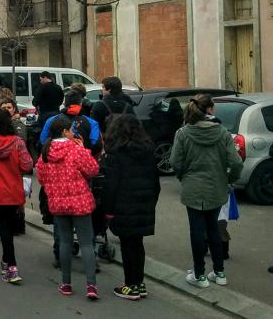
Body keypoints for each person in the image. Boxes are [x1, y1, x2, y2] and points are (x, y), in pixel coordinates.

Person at [169, 94, 243, 289]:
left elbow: (175, 162)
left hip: (193, 187)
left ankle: (199, 274)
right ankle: (219, 272)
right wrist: (229, 179)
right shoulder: (223, 133)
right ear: (209, 109)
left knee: (196, 231)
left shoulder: (183, 133)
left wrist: (183, 176)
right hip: (217, 187)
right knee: (214, 228)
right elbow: (235, 162)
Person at [36, 116, 100, 300]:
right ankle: (91, 285)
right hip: (80, 202)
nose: (74, 133)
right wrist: (83, 150)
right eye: (72, 130)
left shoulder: (45, 153)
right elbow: (93, 169)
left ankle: (66, 283)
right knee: (86, 243)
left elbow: (41, 178)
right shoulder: (75, 150)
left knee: (65, 242)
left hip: (58, 203)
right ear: (64, 131)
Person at [101, 114, 160, 300]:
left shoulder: (114, 154)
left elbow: (110, 185)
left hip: (122, 204)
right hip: (144, 203)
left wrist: (108, 210)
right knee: (138, 244)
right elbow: (155, 182)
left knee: (127, 245)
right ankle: (140, 283)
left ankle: (130, 285)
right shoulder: (148, 151)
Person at [0, 107, 33, 284]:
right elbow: (27, 165)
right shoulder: (17, 142)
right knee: (8, 229)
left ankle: (8, 263)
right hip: (13, 190)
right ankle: (11, 266)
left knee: (4, 230)